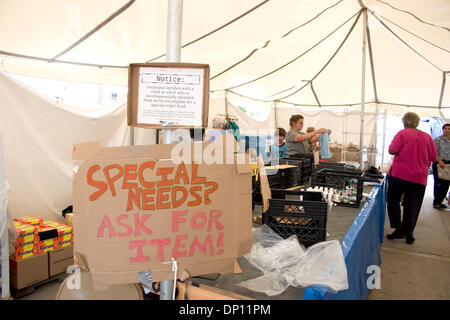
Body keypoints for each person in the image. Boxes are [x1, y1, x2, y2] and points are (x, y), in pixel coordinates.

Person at [386, 112, 437, 245]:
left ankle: (399, 228)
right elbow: (433, 156)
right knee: (412, 205)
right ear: (417, 122)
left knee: (393, 200)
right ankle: (409, 234)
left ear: (405, 122)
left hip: (400, 174)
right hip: (419, 177)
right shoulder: (427, 137)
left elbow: (392, 150)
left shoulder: (402, 134)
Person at [432, 123, 450, 209]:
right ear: (443, 130)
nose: (447, 130)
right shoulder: (437, 140)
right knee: (439, 183)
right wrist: (439, 161)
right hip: (439, 163)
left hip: (448, 164)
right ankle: (436, 202)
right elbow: (433, 153)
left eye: (449, 129)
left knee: (446, 184)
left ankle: (441, 201)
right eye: (445, 128)